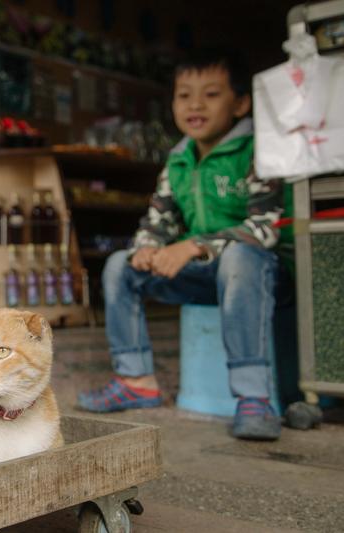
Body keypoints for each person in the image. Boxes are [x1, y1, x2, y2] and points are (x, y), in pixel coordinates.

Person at [77, 49, 294, 441]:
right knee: (119, 266)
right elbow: (157, 221)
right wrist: (147, 246)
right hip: (207, 276)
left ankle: (254, 397)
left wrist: (193, 246)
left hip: (264, 280)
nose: (195, 104)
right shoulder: (177, 160)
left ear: (241, 103)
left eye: (211, 94)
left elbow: (267, 226)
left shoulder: (259, 152)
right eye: (184, 95)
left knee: (242, 258)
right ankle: (136, 380)